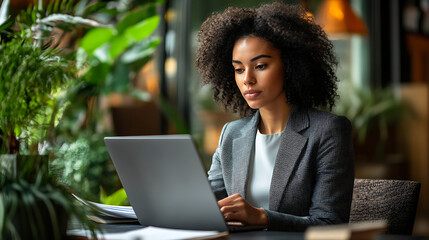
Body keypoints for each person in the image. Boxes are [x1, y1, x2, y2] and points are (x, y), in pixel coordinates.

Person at [194, 2, 355, 232]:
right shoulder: (232, 134)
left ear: (290, 65)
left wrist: (263, 217)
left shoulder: (328, 130)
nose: (247, 79)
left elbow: (330, 222)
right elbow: (206, 204)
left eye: (260, 66)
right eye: (239, 69)